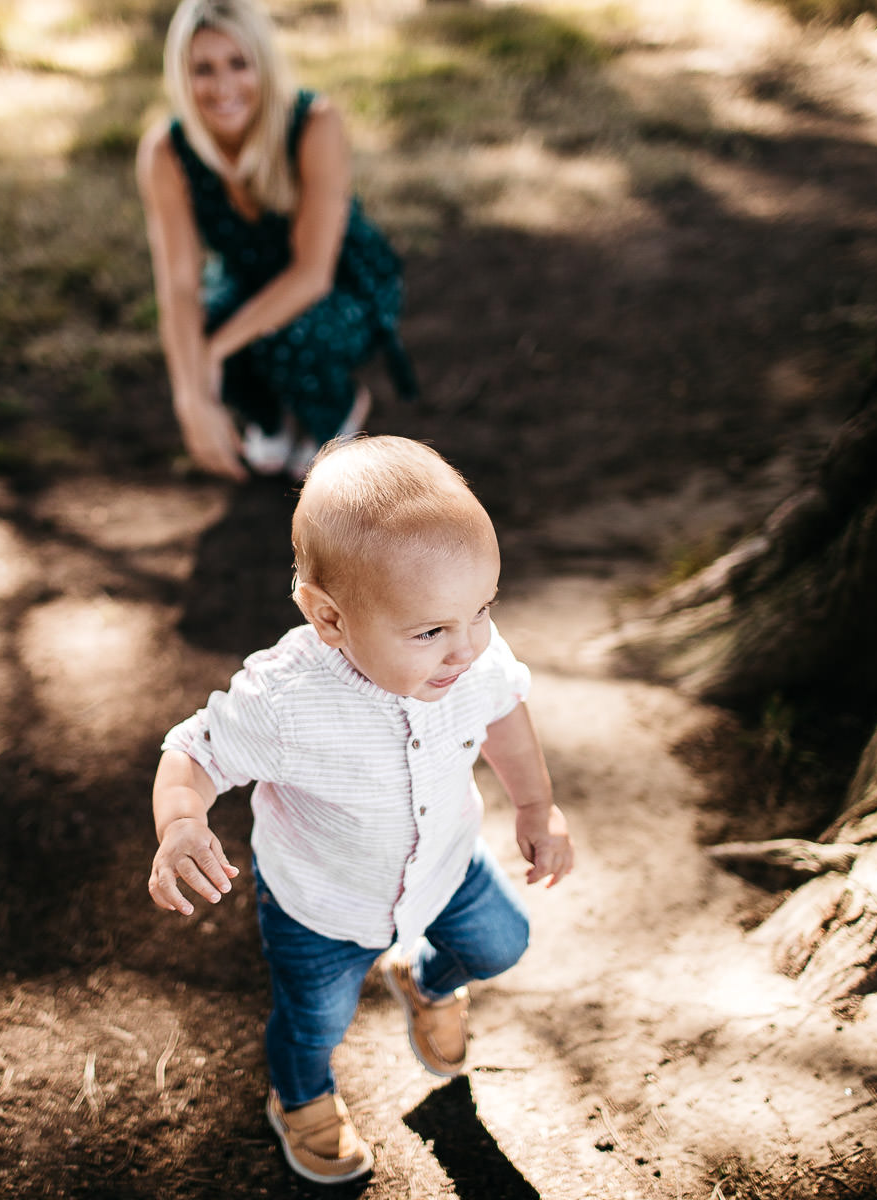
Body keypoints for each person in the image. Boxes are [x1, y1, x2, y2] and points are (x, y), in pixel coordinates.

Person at [147, 436, 575, 1184]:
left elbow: (503, 709)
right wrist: (182, 822)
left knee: (502, 943)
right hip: (322, 906)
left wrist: (535, 803)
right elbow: (193, 751)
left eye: (482, 610)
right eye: (431, 630)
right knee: (314, 1023)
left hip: (446, 866)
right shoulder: (286, 700)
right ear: (329, 618)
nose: (467, 647)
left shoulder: (473, 656)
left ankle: (429, 980)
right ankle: (300, 1096)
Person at [138, 0, 416, 484]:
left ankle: (337, 413)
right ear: (182, 76)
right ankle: (274, 418)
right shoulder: (167, 151)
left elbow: (312, 274)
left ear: (263, 64)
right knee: (202, 324)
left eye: (238, 63)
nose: (223, 87)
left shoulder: (313, 123)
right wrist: (191, 397)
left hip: (340, 282)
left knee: (288, 336)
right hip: (245, 277)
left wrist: (216, 351)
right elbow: (178, 283)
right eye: (203, 69)